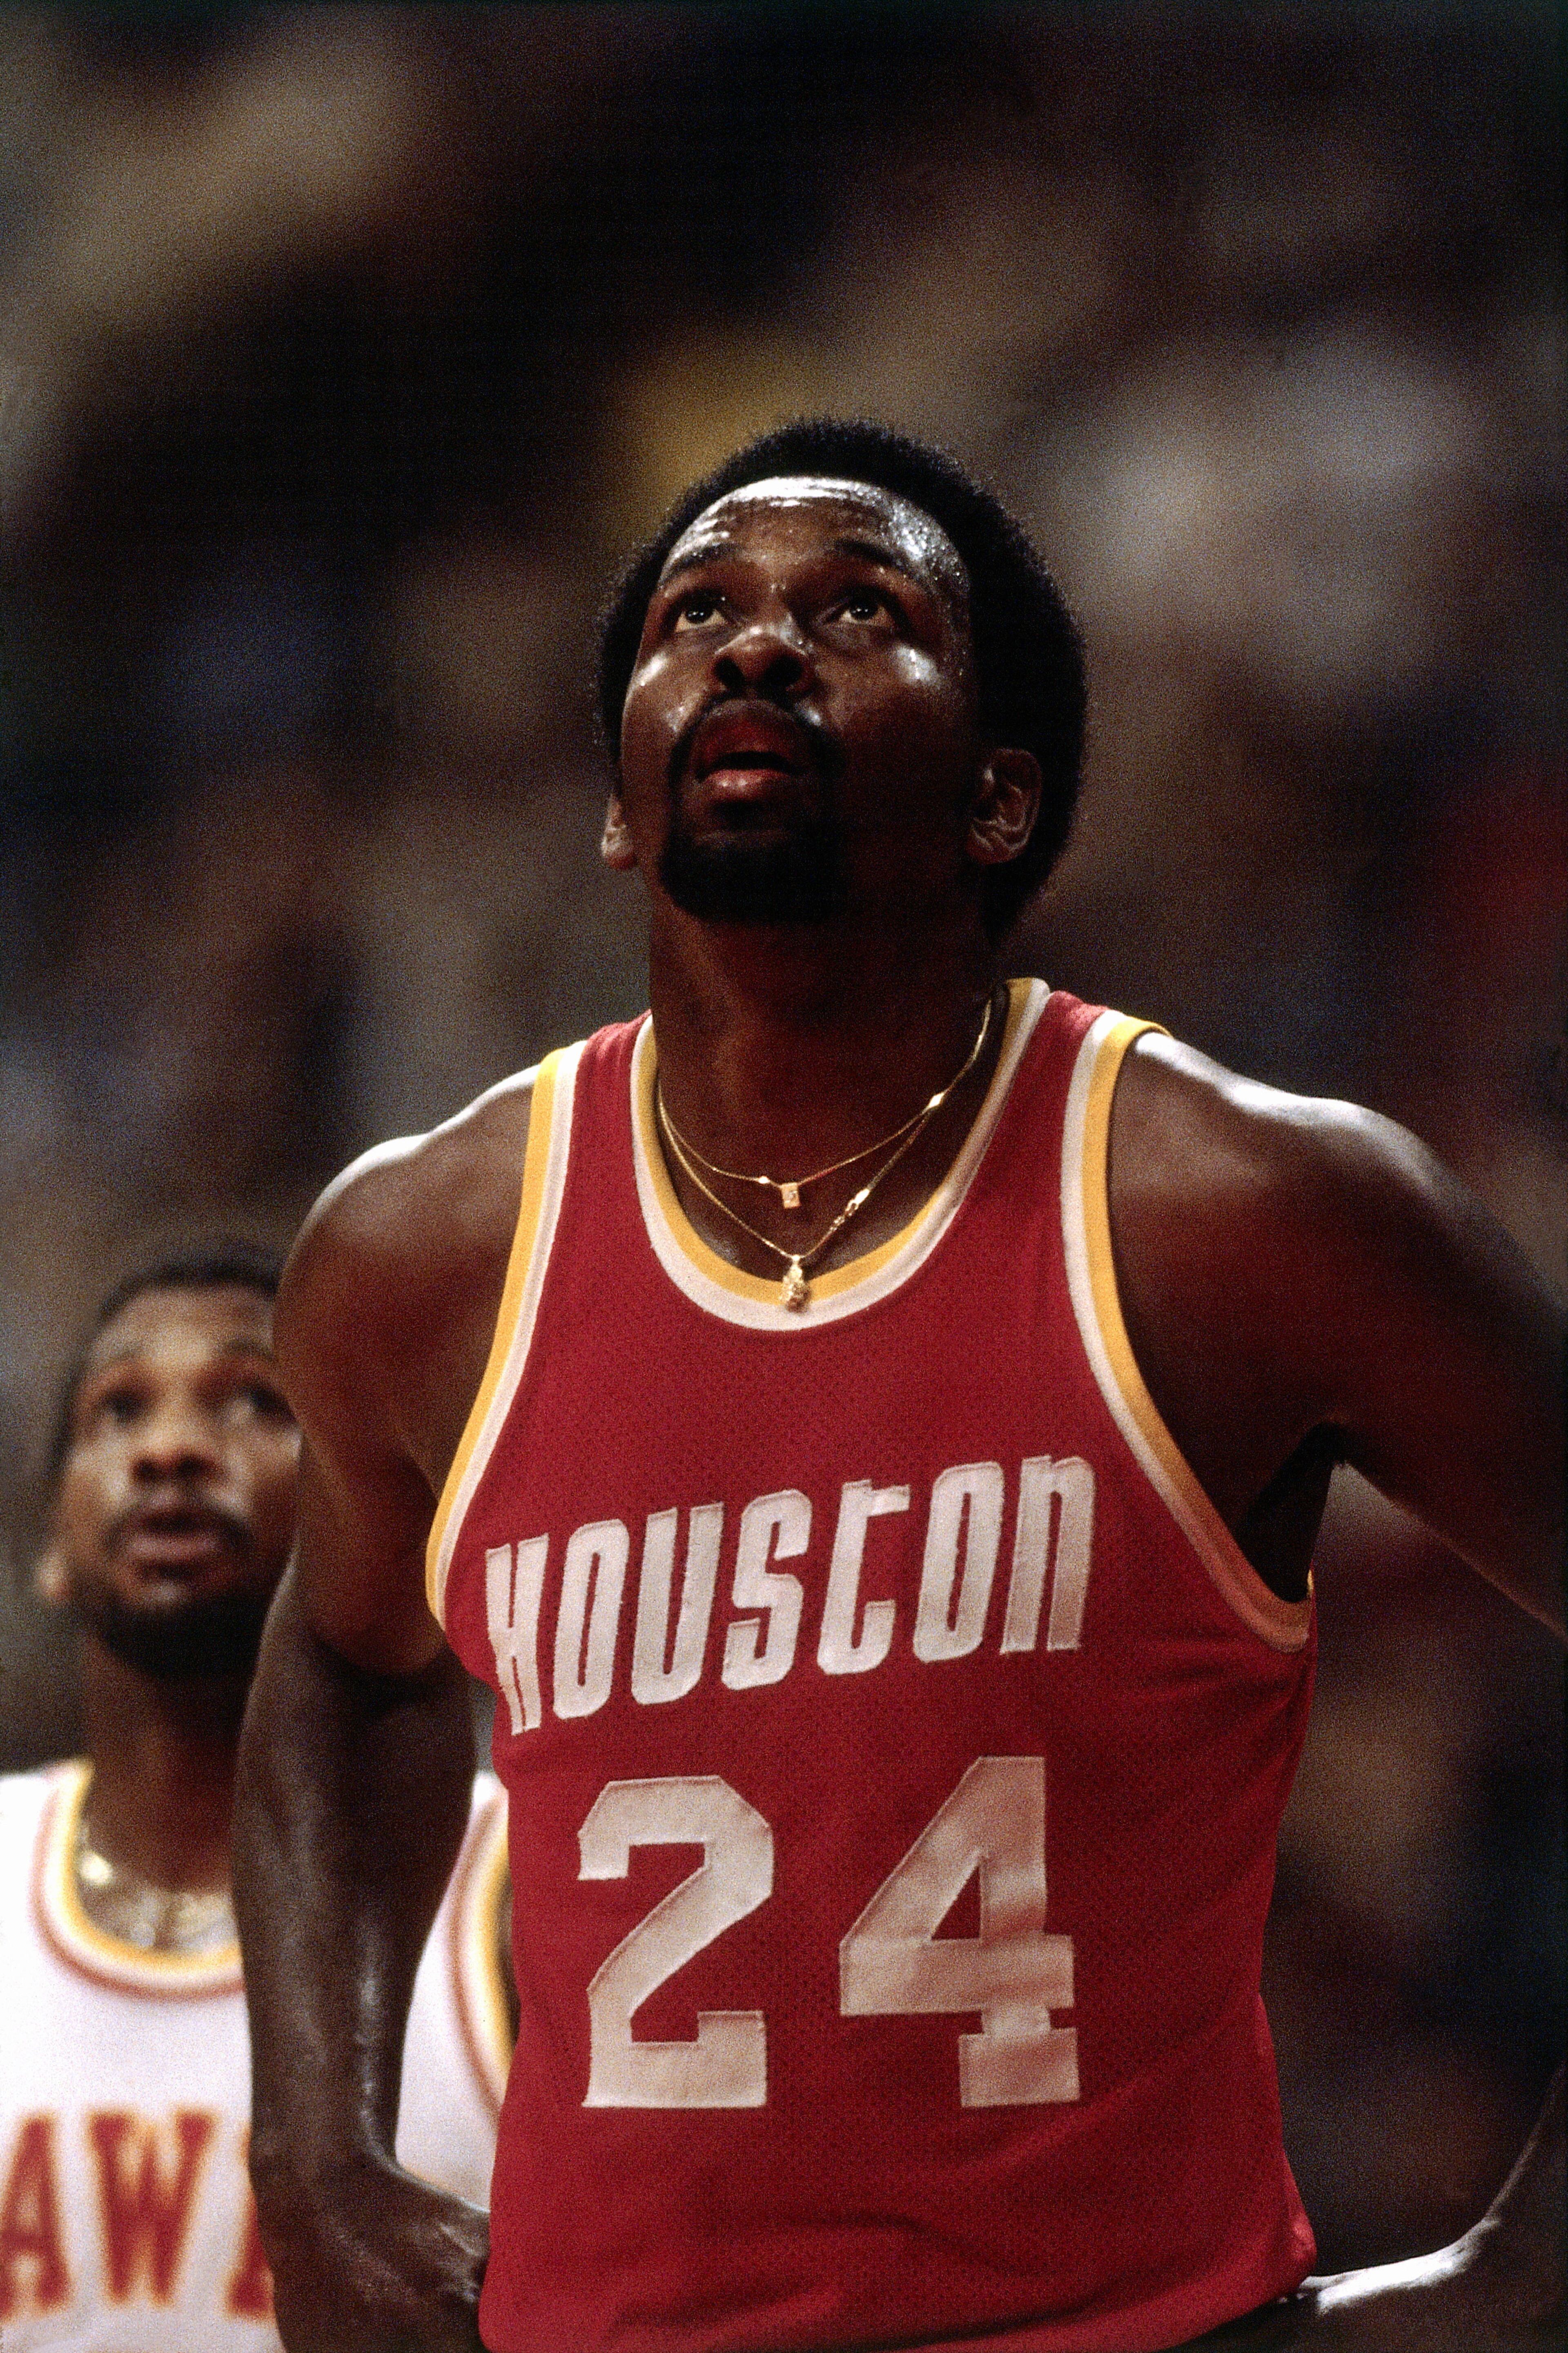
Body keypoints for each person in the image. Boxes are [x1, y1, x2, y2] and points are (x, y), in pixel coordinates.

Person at [232, 419, 1564, 2353]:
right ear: (619, 803)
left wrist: (1529, 2275)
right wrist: (318, 2161)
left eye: (855, 610)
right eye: (700, 614)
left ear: (1001, 799)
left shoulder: (1244, 1208)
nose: (759, 648)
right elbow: (345, 1669)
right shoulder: (420, 1258)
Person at [0, 1246, 511, 2350]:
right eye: (119, 1409)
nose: (173, 1448)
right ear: (48, 1543)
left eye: (252, 1400)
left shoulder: (511, 1883)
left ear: (375, 1511)